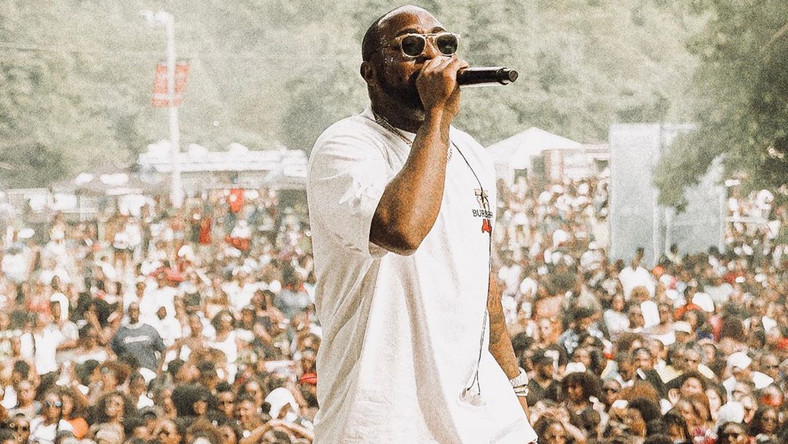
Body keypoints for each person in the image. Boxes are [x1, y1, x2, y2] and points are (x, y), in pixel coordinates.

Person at [306, 5, 536, 443]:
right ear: (369, 72)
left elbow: (483, 287)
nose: (433, 56)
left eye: (444, 44)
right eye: (412, 47)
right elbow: (403, 230)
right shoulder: (345, 146)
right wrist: (438, 115)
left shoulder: (472, 154)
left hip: (485, 420)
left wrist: (515, 388)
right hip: (387, 419)